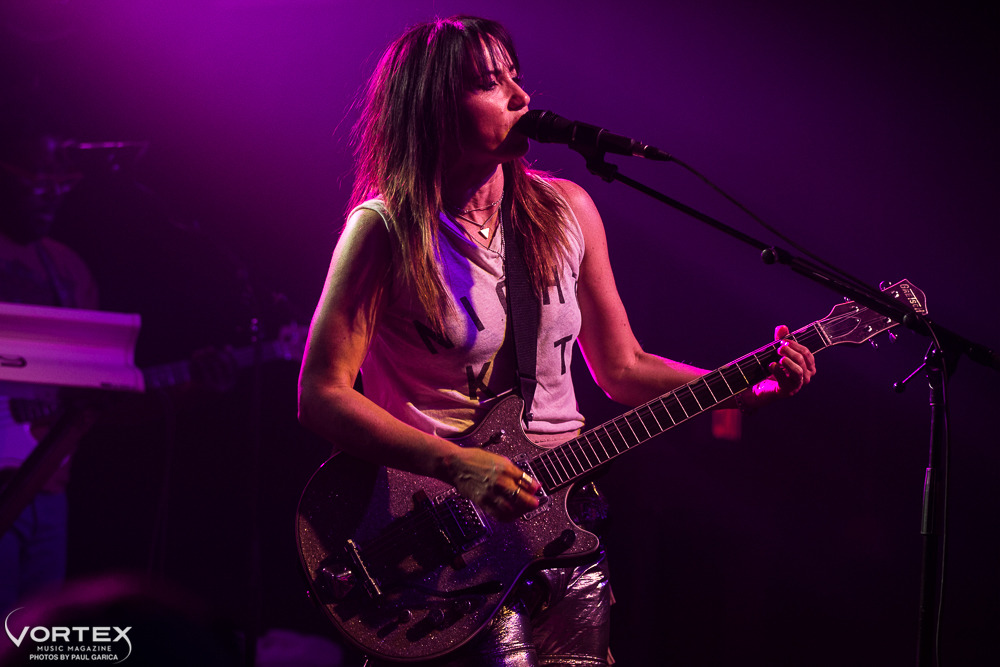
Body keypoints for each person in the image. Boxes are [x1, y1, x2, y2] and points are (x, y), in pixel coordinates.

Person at [297, 15, 816, 666]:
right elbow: (320, 394)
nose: (520, 96)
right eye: (490, 82)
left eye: (517, 76)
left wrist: (742, 390)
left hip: (561, 531)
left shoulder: (566, 211)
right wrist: (454, 463)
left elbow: (621, 367)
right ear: (433, 106)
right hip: (443, 539)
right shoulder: (385, 230)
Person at [0, 123, 100, 616]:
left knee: (34, 637)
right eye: (37, 180)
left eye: (62, 183)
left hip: (50, 482)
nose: (51, 195)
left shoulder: (67, 267)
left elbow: (91, 383)